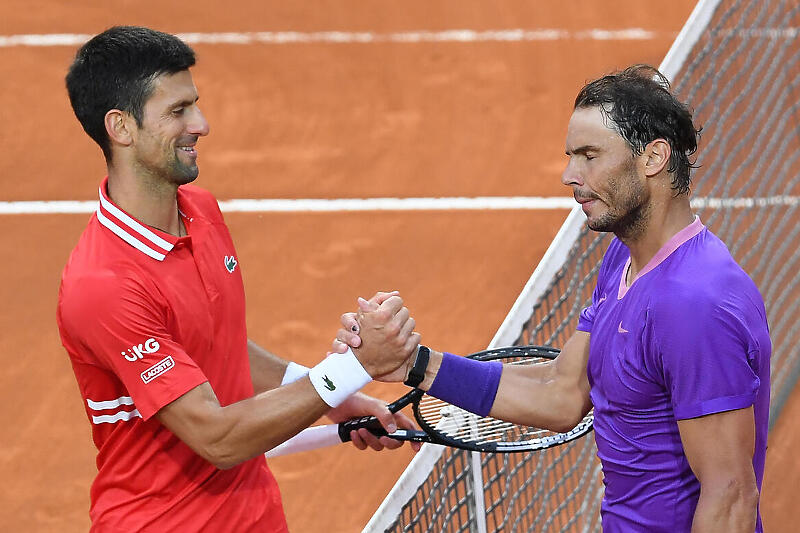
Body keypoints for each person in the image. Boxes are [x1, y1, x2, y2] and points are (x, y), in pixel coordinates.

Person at [338, 65, 771, 532]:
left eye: (589, 155)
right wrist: (412, 365)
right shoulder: (623, 262)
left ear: (653, 158)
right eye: (571, 156)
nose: (569, 174)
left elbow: (730, 495)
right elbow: (562, 393)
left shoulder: (693, 306)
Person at [57, 25, 420, 532]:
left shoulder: (201, 211)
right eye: (178, 110)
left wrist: (334, 398)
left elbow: (214, 344)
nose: (201, 124)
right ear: (121, 127)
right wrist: (351, 370)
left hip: (256, 517)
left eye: (195, 104)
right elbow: (217, 438)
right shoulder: (104, 284)